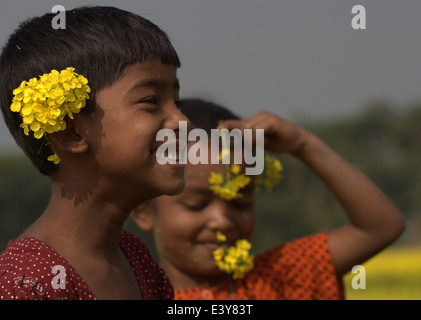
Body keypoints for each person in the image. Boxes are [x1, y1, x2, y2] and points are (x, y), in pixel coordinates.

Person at [0, 6, 189, 300]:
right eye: (151, 100)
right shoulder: (26, 283)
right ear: (70, 132)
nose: (183, 121)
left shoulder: (134, 255)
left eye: (177, 102)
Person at [131, 98, 405, 300]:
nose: (222, 220)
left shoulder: (283, 277)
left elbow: (381, 226)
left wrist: (303, 145)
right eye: (197, 204)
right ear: (144, 210)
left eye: (240, 202)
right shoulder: (129, 293)